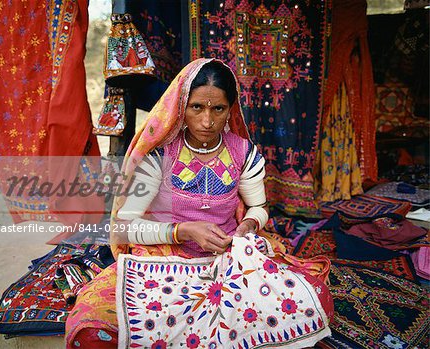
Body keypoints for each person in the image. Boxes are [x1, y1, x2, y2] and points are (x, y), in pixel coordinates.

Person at [65, 58, 333, 348]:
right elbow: (123, 229)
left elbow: (259, 208)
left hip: (227, 259)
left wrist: (248, 225)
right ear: (181, 106)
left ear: (230, 109)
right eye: (197, 108)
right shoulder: (160, 156)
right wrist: (183, 231)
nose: (207, 121)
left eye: (218, 109)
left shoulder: (243, 153)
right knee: (93, 328)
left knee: (314, 301)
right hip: (163, 261)